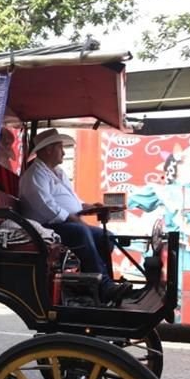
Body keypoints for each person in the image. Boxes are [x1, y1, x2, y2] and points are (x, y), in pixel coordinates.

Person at [18, 128, 131, 303]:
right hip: (45, 228)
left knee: (107, 237)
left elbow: (75, 201)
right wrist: (73, 218)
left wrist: (92, 207)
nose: (63, 152)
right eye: (60, 147)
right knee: (80, 232)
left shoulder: (58, 173)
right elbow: (46, 206)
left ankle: (94, 284)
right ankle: (105, 286)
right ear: (48, 149)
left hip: (64, 224)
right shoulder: (34, 175)